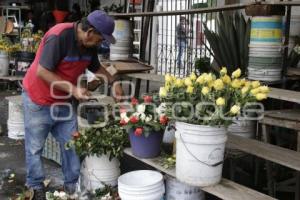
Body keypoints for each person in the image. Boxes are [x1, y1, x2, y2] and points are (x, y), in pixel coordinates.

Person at [22, 10, 122, 200]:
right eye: (101, 39)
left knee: (72, 145)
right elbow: (42, 72)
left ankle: (72, 187)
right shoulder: (59, 36)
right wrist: (74, 90)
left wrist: (114, 82)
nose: (101, 44)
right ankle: (35, 188)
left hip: (64, 103)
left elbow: (97, 68)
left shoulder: (89, 46)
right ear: (90, 31)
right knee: (35, 148)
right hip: (38, 99)